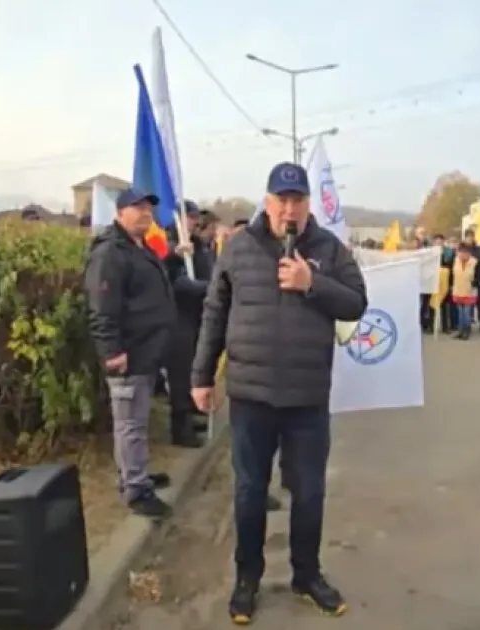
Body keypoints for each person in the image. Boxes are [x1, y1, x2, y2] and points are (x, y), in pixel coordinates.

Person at [190, 162, 367, 624]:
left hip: (307, 399)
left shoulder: (330, 249)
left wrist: (313, 284)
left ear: (308, 203)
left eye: (297, 200)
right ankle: (247, 577)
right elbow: (214, 312)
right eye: (281, 200)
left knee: (309, 492)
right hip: (251, 399)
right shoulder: (239, 248)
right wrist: (201, 376)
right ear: (267, 202)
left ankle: (306, 575)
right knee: (250, 491)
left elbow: (356, 303)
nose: (290, 210)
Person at [86, 188, 180, 517]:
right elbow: (102, 308)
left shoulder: (139, 247)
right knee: (130, 424)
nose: (145, 213)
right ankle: (136, 489)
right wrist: (112, 351)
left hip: (148, 350)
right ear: (120, 212)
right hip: (129, 353)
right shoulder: (110, 253)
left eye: (148, 207)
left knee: (136, 421)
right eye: (137, 207)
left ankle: (134, 473)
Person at [163, 202, 214, 448]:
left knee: (192, 369)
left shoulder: (197, 244)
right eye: (190, 218)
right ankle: (180, 428)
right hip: (177, 318)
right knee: (180, 374)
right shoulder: (170, 245)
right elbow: (177, 283)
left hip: (194, 316)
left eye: (194, 218)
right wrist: (210, 289)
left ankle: (191, 416)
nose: (194, 222)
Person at [460, 229, 480, 334]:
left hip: (478, 281)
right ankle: (466, 327)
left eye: (471, 237)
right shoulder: (461, 249)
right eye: (468, 237)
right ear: (465, 238)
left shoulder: (479, 250)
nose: (470, 239)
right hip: (465, 281)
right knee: (466, 306)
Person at [451, 243, 480, 339]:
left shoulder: (474, 262)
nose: (462, 254)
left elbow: (478, 276)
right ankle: (460, 331)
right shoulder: (455, 261)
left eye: (465, 252)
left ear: (469, 253)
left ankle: (466, 331)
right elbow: (452, 275)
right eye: (460, 252)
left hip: (469, 290)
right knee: (460, 312)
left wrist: (474, 283)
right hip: (458, 289)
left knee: (467, 312)